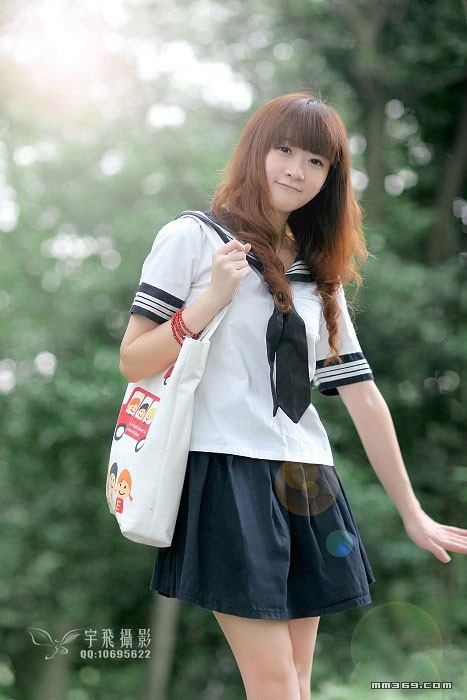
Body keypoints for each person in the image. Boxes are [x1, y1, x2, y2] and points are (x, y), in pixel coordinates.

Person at [119, 93, 467, 700]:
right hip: (225, 471)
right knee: (275, 681)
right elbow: (133, 358)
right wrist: (208, 302)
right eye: (284, 149)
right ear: (257, 150)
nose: (296, 170)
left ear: (330, 177)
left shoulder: (316, 272)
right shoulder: (193, 238)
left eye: (315, 161)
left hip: (305, 477)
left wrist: (413, 513)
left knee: (299, 682)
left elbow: (362, 395)